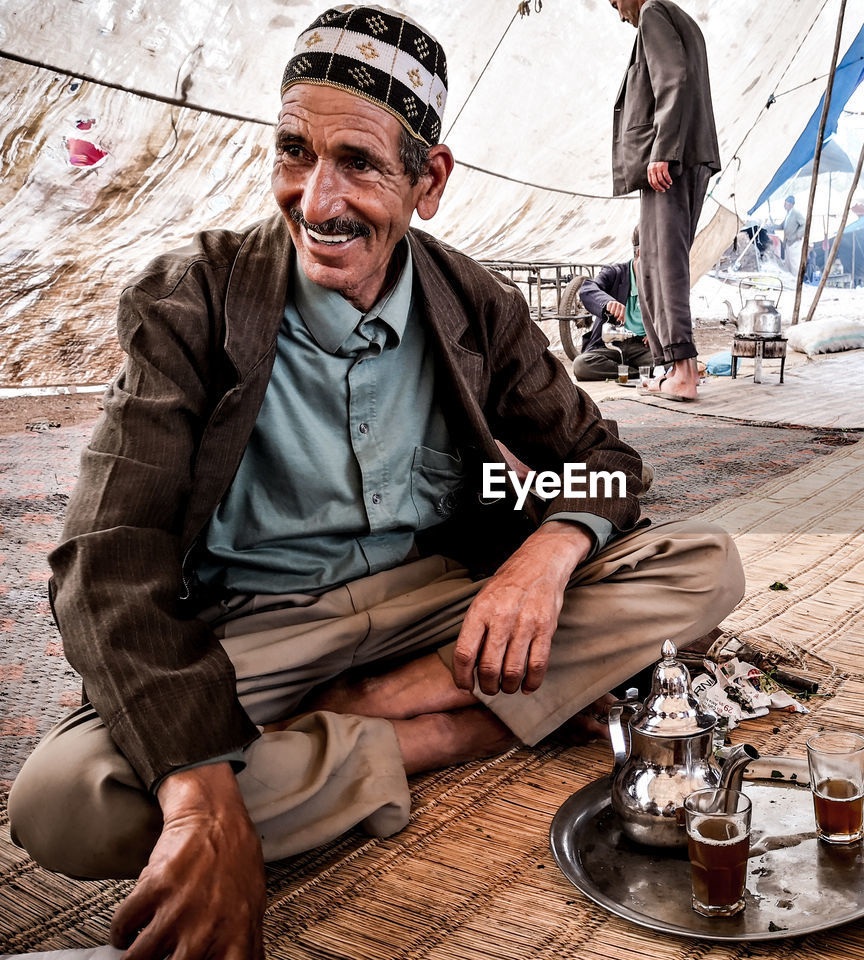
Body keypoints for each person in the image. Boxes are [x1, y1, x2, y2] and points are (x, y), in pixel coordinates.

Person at [8, 8, 745, 959]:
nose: (316, 202)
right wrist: (197, 796)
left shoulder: (475, 302)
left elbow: (601, 463)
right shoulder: (189, 299)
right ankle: (446, 735)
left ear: (427, 182)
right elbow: (107, 555)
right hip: (253, 629)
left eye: (357, 162)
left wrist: (546, 555)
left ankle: (386, 701)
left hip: (435, 609)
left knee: (702, 566)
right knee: (65, 803)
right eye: (293, 154)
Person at [609, 0, 720, 402]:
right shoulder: (678, 17)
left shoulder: (654, 12)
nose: (619, 13)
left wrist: (663, 150)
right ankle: (675, 367)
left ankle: (684, 372)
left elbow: (674, 77)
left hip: (674, 158)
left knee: (663, 261)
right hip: (686, 154)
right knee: (654, 255)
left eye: (615, 2)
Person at [572, 227, 655, 382]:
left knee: (672, 362)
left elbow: (670, 313)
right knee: (581, 365)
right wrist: (608, 302)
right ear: (639, 253)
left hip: (642, 348)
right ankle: (635, 373)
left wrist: (657, 330)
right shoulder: (615, 273)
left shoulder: (661, 280)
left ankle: (631, 371)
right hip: (609, 346)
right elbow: (587, 289)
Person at [781, 194, 806, 274]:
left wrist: (798, 235)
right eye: (784, 203)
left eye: (786, 203)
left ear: (791, 204)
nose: (784, 205)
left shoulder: (796, 213)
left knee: (794, 264)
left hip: (794, 242)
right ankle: (790, 281)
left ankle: (796, 282)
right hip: (788, 241)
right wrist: (771, 226)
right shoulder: (788, 214)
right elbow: (783, 226)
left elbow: (804, 224)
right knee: (788, 264)